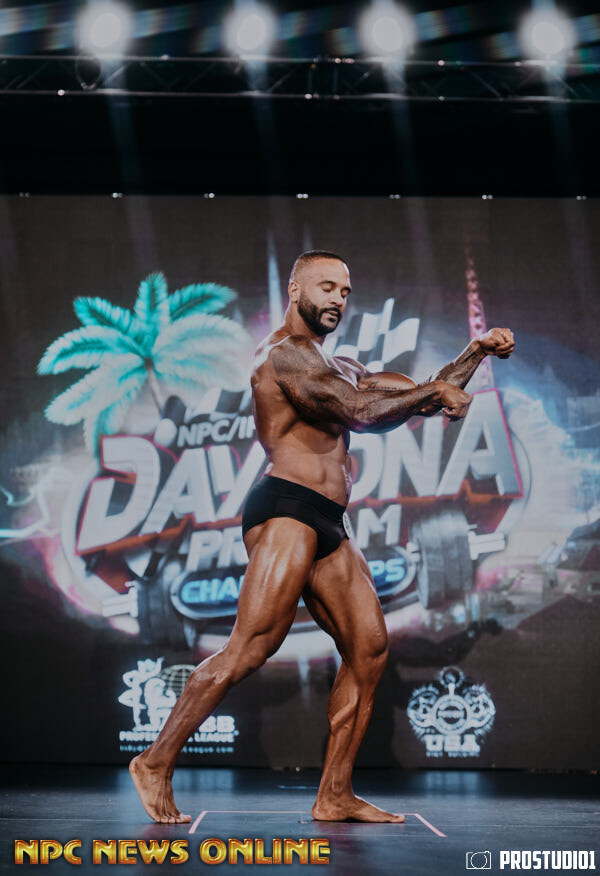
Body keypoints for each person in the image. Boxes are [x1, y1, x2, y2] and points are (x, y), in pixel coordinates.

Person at [130, 250, 515, 824]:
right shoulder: (283, 356)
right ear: (295, 290)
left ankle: (334, 793)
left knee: (368, 650)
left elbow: (421, 395)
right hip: (286, 507)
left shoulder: (344, 366)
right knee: (251, 647)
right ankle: (154, 761)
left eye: (345, 291)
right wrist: (435, 395)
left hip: (331, 519)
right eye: (327, 287)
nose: (338, 299)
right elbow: (360, 412)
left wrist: (474, 354)